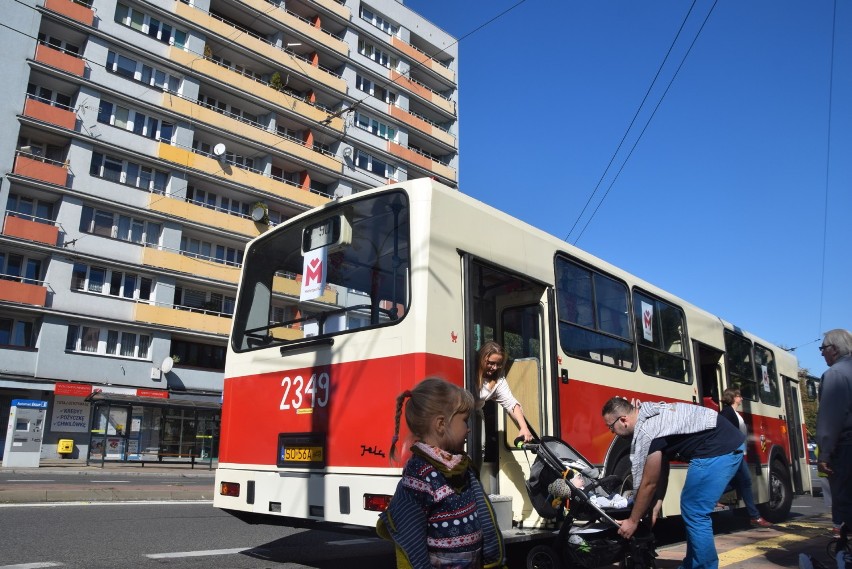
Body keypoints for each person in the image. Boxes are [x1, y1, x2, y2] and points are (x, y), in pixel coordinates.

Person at [376, 377, 506, 569]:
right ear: (441, 425)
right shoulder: (420, 475)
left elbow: (484, 513)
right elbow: (410, 538)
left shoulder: (462, 466)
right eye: (464, 421)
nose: (468, 429)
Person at [602, 397, 745, 569]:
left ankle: (703, 566)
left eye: (610, 426)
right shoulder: (650, 416)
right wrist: (657, 504)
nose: (611, 431)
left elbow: (649, 482)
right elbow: (662, 467)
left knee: (695, 510)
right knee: (692, 508)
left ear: (623, 420)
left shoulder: (648, 430)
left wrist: (632, 521)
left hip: (718, 448)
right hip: (724, 443)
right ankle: (693, 565)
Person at [815, 328, 852, 539]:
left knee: (845, 503)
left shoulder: (834, 375)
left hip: (846, 449)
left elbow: (830, 419)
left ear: (834, 349)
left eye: (823, 348)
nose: (821, 353)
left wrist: (825, 455)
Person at [719, 388, 772, 527]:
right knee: (746, 482)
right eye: (739, 396)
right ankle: (755, 516)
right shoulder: (726, 412)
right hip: (734, 452)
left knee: (739, 483)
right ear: (733, 398)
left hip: (738, 451)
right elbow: (722, 431)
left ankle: (711, 495)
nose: (741, 398)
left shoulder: (734, 413)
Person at [476, 341, 533, 443]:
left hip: (476, 415)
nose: (494, 368)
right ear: (481, 358)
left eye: (498, 364)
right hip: (459, 414)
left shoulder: (498, 381)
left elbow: (511, 403)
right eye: (491, 363)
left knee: (480, 449)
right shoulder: (469, 370)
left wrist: (524, 427)